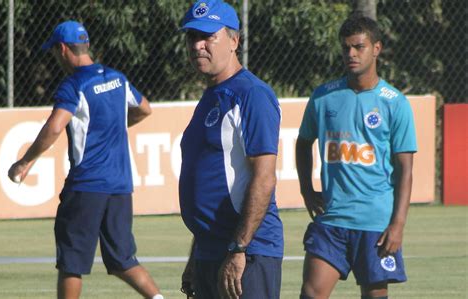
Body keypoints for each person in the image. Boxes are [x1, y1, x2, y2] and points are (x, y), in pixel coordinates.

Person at [7, 20, 164, 299]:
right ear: (86, 46)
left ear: (63, 49)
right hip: (120, 185)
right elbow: (145, 109)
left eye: (55, 52)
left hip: (87, 186)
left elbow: (55, 126)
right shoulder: (117, 78)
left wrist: (25, 162)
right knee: (122, 260)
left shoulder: (74, 84)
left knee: (71, 263)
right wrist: (113, 125)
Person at [296, 15, 417, 299]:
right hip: (332, 219)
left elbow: (405, 170)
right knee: (311, 294)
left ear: (376, 48)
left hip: (375, 223)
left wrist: (397, 224)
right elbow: (303, 143)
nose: (351, 54)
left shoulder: (394, 102)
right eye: (346, 48)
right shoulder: (324, 96)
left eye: (358, 47)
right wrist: (306, 190)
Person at [177, 1, 284, 298]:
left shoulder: (252, 95)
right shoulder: (211, 97)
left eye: (208, 36)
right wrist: (194, 258)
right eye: (192, 37)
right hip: (210, 252)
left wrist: (239, 249)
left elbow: (264, 178)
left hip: (247, 252)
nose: (198, 45)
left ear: (234, 40)